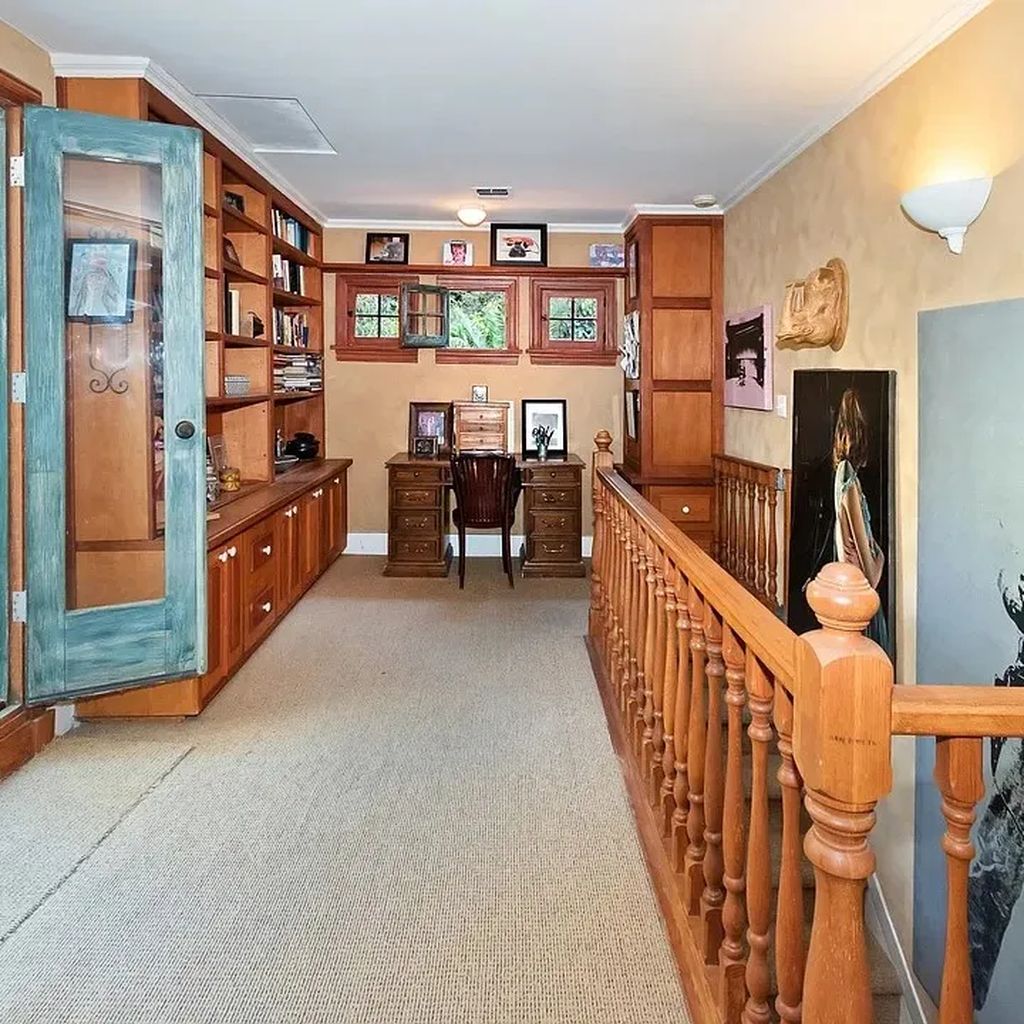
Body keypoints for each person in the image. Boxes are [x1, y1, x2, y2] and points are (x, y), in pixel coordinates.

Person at [831, 387, 889, 649]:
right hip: (860, 593)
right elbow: (872, 574)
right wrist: (881, 557)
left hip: (852, 588)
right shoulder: (850, 483)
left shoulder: (843, 474)